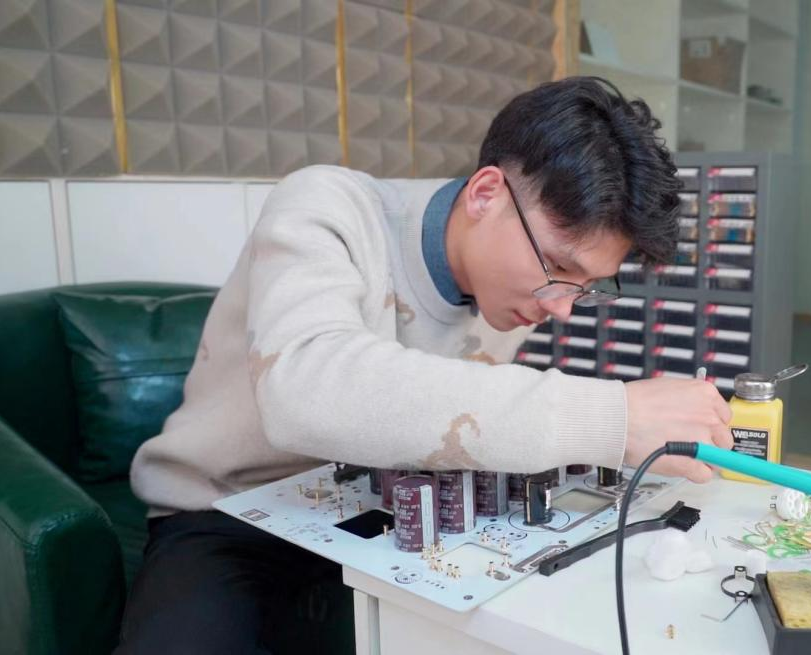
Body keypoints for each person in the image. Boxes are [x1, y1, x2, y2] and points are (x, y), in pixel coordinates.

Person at [115, 76, 733, 653]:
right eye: (559, 268)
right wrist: (610, 415)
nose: (562, 307)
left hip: (394, 513)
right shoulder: (327, 204)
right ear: (486, 193)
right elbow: (303, 389)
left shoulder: (517, 294)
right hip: (228, 513)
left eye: (588, 286)